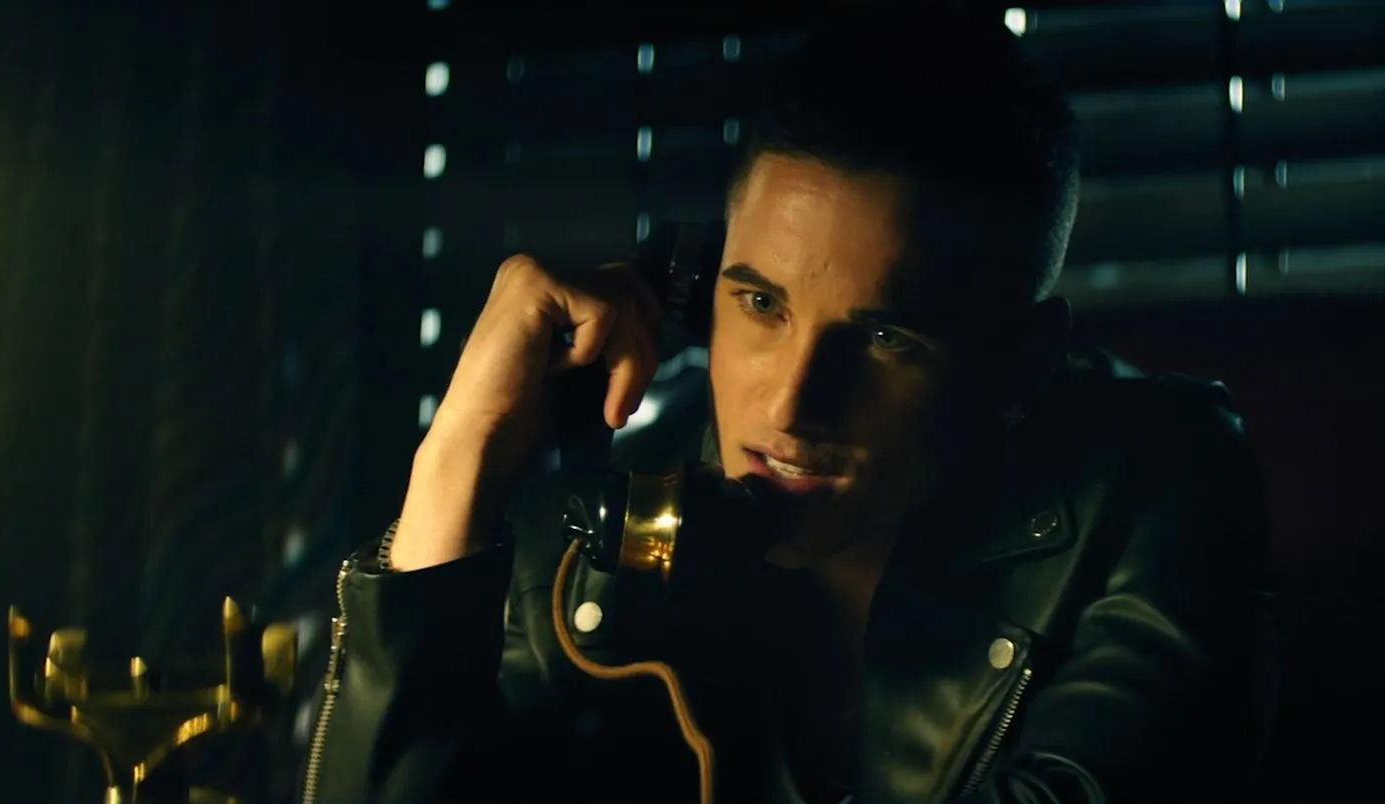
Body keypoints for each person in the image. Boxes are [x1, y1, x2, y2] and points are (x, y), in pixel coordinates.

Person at [300, 12, 1275, 804]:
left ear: (1021, 360)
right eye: (761, 305)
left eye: (885, 337)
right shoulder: (605, 538)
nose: (792, 403)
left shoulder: (1161, 481)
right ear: (697, 290)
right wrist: (460, 450)